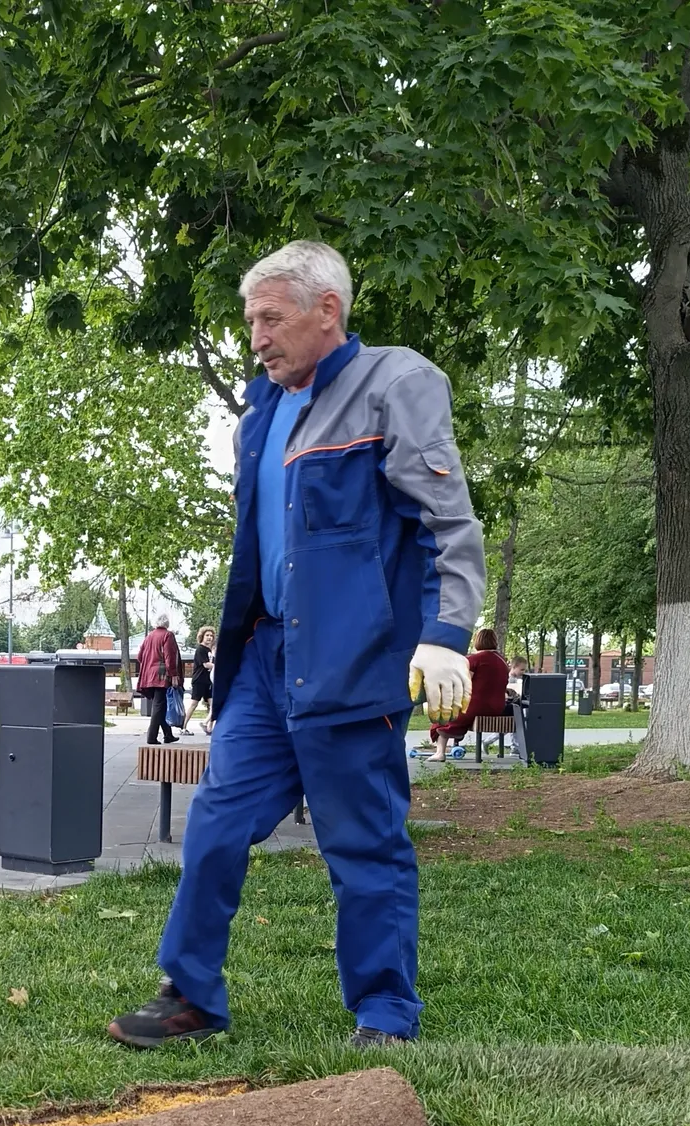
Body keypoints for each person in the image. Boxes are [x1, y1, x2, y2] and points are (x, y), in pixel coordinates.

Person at [107, 240, 483, 1052]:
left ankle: (384, 1014)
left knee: (363, 845)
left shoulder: (398, 383)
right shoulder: (260, 414)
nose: (257, 337)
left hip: (355, 664)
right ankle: (192, 994)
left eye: (271, 319)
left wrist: (446, 635)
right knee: (214, 823)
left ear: (328, 312)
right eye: (251, 322)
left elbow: (448, 524)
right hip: (266, 666)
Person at [420, 628, 508, 761]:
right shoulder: (502, 661)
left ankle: (440, 753)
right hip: (497, 707)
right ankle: (453, 740)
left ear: (477, 641)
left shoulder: (474, 659)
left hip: (476, 705)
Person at [136, 613, 183, 745]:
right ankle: (151, 737)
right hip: (162, 675)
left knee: (160, 704)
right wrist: (174, 674)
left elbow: (139, 657)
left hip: (148, 675)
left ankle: (168, 735)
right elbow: (170, 656)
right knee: (158, 705)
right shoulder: (168, 635)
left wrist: (149, 665)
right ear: (167, 624)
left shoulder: (149, 636)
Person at [180, 627, 216, 736]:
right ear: (202, 637)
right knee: (194, 704)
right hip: (199, 680)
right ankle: (183, 727)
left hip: (208, 681)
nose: (209, 638)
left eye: (211, 636)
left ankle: (208, 727)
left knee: (213, 704)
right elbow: (206, 665)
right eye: (207, 635)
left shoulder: (209, 651)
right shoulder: (200, 649)